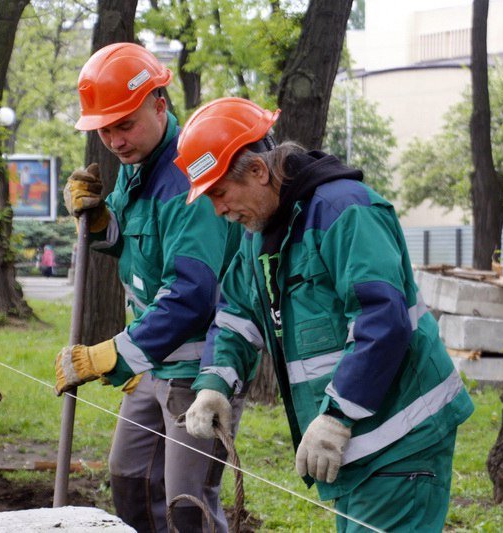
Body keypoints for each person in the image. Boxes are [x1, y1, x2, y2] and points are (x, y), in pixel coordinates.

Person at [174, 97, 475, 532]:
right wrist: (214, 385)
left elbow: (382, 321)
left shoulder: (345, 211)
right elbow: (236, 316)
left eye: (219, 192)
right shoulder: (258, 234)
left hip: (402, 437)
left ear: (258, 171)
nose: (218, 209)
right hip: (359, 442)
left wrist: (337, 416)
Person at [54, 44, 246, 532]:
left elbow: (191, 294)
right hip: (154, 362)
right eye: (105, 128)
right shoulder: (138, 165)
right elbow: (134, 247)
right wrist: (99, 222)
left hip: (198, 368)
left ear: (160, 104)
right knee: (130, 479)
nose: (115, 140)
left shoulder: (188, 177)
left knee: (188, 504)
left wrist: (114, 355)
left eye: (125, 123)